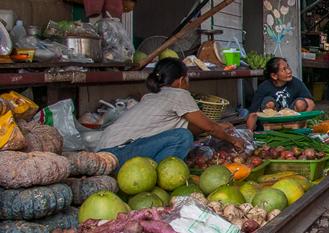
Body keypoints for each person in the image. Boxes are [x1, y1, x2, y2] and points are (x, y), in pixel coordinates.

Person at [99, 58, 246, 167]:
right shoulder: (178, 94)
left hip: (104, 154)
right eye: (188, 80)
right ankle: (162, 177)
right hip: (118, 154)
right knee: (183, 137)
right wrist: (233, 140)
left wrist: (220, 126)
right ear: (181, 80)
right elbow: (209, 128)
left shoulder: (153, 96)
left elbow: (197, 126)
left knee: (183, 134)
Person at [245, 57, 316, 131]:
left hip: (292, 120)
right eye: (284, 69)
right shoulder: (263, 88)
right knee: (269, 104)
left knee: (301, 103)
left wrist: (302, 121)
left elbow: (311, 105)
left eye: (288, 67)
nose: (289, 71)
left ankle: (293, 129)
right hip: (272, 124)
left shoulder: (296, 83)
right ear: (274, 76)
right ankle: (274, 130)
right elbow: (253, 115)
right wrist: (248, 135)